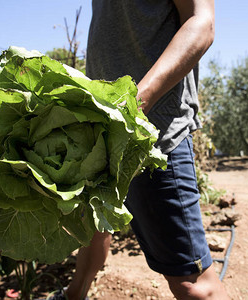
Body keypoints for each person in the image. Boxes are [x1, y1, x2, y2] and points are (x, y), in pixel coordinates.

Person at [56, 1, 229, 299]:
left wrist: (134, 104)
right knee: (95, 229)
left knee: (194, 284)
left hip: (153, 138)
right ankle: (73, 296)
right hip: (102, 133)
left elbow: (202, 24)